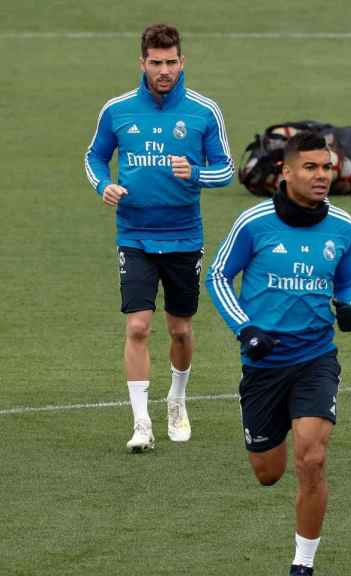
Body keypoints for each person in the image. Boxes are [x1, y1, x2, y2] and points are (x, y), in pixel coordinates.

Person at [206, 132, 351, 576]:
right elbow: (218, 276)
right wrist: (246, 329)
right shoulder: (254, 223)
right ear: (286, 172)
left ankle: (303, 565)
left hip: (316, 358)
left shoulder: (345, 227)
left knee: (311, 456)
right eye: (310, 168)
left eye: (327, 167)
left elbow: (350, 280)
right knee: (268, 472)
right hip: (264, 364)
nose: (321, 176)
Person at [84, 23, 234, 451]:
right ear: (143, 62)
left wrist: (197, 172)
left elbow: (227, 169)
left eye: (171, 62)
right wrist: (103, 185)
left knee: (181, 330)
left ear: (182, 62)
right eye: (156, 63)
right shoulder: (118, 110)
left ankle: (177, 400)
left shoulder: (204, 111)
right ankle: (141, 423)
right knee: (137, 326)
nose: (163, 70)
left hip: (185, 236)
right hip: (134, 235)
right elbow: (94, 156)